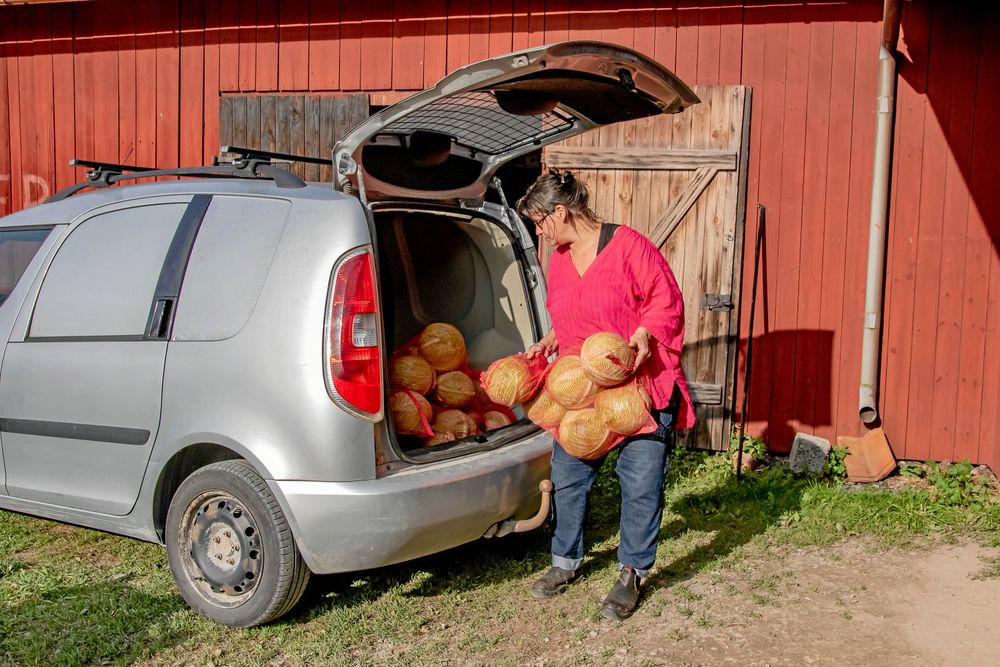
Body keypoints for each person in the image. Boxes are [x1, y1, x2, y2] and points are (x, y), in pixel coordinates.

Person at [518, 169, 695, 621]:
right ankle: (565, 562)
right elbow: (573, 310)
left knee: (640, 483)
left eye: (541, 221)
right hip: (584, 391)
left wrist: (642, 335)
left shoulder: (629, 245)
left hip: (636, 388)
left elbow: (666, 300)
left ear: (561, 212)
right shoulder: (558, 258)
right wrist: (551, 340)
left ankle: (631, 572)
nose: (539, 231)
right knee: (569, 474)